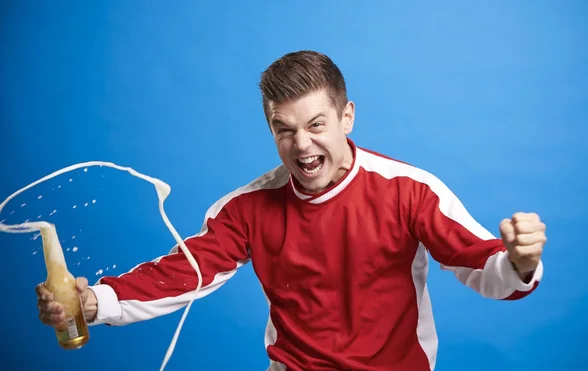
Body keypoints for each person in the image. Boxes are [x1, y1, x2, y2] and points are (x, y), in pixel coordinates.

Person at [36, 50, 546, 370]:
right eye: (284, 129)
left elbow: (483, 265)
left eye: (317, 124)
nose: (302, 145)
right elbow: (182, 273)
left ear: (347, 117)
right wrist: (94, 302)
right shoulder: (248, 208)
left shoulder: (410, 190)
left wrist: (519, 262)